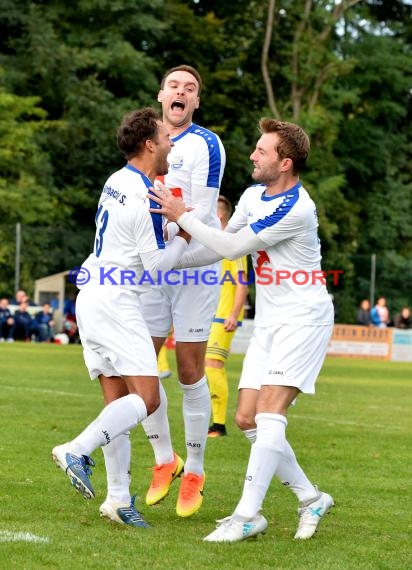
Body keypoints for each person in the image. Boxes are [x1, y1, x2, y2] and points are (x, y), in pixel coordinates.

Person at [150, 117, 335, 542]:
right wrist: (169, 261)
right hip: (270, 321)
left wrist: (181, 215)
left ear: (285, 163)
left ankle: (247, 515)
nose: (252, 155)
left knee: (270, 413)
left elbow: (233, 247)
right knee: (247, 419)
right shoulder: (253, 195)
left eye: (262, 151)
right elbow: (218, 249)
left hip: (303, 318)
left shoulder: (297, 206)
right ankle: (311, 498)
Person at [51, 107, 190, 528]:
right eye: (165, 136)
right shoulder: (144, 193)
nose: (170, 143)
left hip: (91, 293)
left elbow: (131, 235)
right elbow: (156, 268)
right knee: (146, 400)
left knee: (117, 402)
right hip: (116, 300)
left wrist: (164, 227)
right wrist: (183, 234)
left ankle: (116, 499)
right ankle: (77, 448)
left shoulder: (117, 180)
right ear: (150, 144)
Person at [140, 64, 226, 517]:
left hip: (194, 264)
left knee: (190, 369)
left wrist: (170, 237)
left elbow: (201, 216)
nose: (181, 92)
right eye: (174, 85)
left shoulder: (208, 144)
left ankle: (194, 469)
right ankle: (164, 461)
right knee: (140, 361)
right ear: (161, 94)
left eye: (190, 88)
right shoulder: (145, 139)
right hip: (157, 264)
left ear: (195, 102)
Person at [206, 195, 248, 438]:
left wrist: (233, 314)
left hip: (225, 318)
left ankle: (219, 425)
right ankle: (214, 420)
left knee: (213, 365)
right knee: (206, 367)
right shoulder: (216, 245)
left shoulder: (235, 245)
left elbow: (242, 284)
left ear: (219, 215)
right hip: (212, 317)